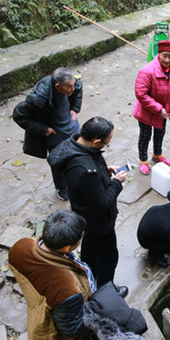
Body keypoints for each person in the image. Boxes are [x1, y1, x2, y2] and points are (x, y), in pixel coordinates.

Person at [8, 210, 121, 340]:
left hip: (41, 306)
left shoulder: (21, 247)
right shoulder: (66, 288)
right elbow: (72, 327)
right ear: (68, 247)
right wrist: (102, 320)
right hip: (62, 318)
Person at [48, 117, 128, 298]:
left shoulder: (75, 144)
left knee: (90, 248)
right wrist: (116, 183)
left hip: (84, 215)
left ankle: (87, 277)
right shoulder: (85, 171)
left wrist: (103, 170)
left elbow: (90, 170)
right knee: (108, 257)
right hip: (98, 222)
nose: (105, 147)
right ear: (96, 141)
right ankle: (106, 292)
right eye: (106, 144)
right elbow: (102, 203)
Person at [12, 67, 82, 201]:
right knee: (58, 162)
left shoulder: (71, 83)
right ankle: (62, 188)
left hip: (72, 128)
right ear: (58, 86)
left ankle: (76, 180)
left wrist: (75, 108)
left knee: (77, 156)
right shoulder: (39, 98)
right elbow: (19, 115)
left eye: (73, 85)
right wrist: (43, 129)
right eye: (69, 87)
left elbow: (79, 89)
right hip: (55, 136)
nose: (73, 89)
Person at [133, 39, 170, 175]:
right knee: (145, 136)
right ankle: (143, 160)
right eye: (164, 56)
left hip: (164, 111)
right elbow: (141, 94)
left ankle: (157, 154)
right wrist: (158, 108)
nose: (167, 60)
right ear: (158, 54)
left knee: (160, 133)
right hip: (147, 111)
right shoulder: (147, 71)